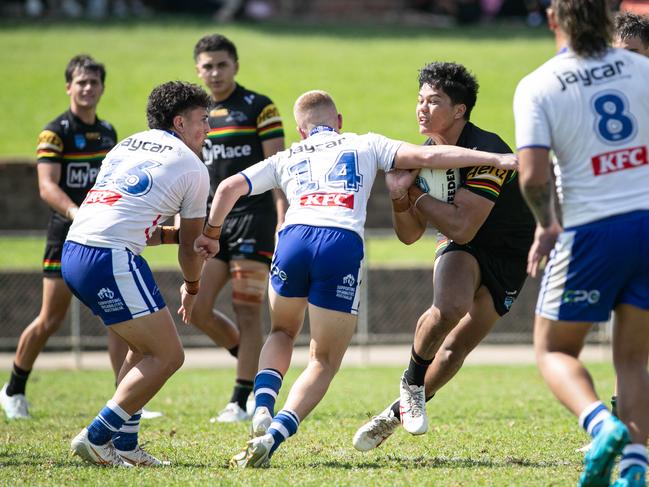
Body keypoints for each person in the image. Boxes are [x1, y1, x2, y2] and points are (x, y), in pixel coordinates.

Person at [193, 89, 519, 468]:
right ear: (340, 122)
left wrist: (211, 234)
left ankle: (262, 404)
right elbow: (430, 155)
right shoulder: (365, 144)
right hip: (339, 243)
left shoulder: (287, 156)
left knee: (281, 332)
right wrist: (497, 158)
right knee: (324, 359)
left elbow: (230, 186)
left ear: (301, 130)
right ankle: (276, 434)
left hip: (294, 237)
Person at [352, 62, 535, 450]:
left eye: (434, 101)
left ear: (459, 110)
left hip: (510, 250)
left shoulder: (488, 150)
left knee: (456, 349)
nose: (422, 108)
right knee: (449, 307)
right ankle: (413, 382)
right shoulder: (420, 156)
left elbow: (461, 224)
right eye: (419, 100)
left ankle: (395, 413)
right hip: (463, 243)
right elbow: (410, 235)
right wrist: (400, 196)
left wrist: (414, 194)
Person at [514, 1, 649, 486]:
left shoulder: (539, 85)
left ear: (554, 21)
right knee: (633, 358)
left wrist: (547, 223)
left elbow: (531, 178)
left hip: (593, 229)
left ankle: (601, 423)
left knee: (554, 350)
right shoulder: (642, 68)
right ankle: (635, 468)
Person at [64, 80, 211, 466]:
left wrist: (176, 235)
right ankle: (96, 437)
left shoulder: (126, 144)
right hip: (110, 256)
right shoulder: (194, 167)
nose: (208, 129)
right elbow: (191, 247)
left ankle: (126, 446)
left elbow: (124, 215)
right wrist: (192, 286)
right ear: (179, 122)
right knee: (168, 356)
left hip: (75, 249)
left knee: (142, 349)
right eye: (203, 120)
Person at [0, 54, 125, 420]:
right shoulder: (55, 132)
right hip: (66, 233)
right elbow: (46, 187)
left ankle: (125, 399)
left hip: (103, 233)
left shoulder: (108, 132)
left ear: (102, 88)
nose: (87, 88)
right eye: (81, 82)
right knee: (50, 319)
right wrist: (76, 213)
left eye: (94, 82)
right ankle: (13, 389)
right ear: (69, 87)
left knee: (118, 317)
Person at [191, 33, 287, 423]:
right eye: (207, 66)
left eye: (221, 65)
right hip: (214, 220)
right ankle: (246, 355)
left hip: (254, 217)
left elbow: (278, 168)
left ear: (236, 66)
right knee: (195, 306)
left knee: (248, 310)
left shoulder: (258, 107)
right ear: (197, 70)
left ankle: (239, 399)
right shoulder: (195, 113)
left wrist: (283, 218)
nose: (214, 72)